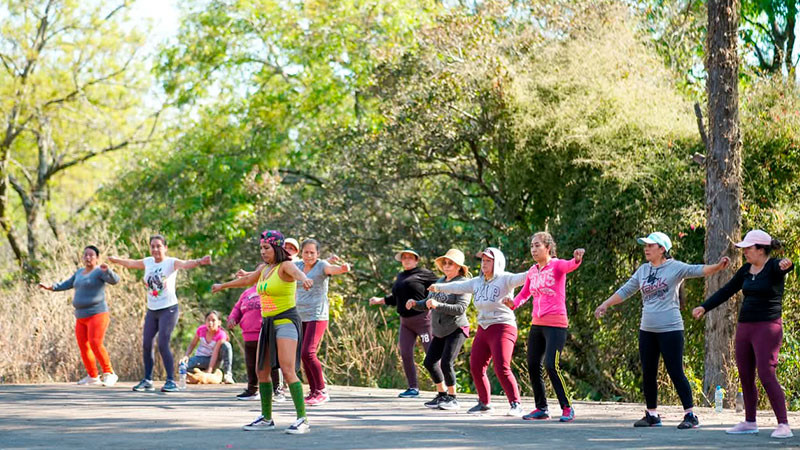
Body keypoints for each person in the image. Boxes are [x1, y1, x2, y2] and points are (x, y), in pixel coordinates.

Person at [595, 232, 729, 429]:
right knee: (648, 371)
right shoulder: (643, 270)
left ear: (662, 249)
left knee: (675, 371)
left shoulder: (675, 267)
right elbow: (626, 290)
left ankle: (690, 415)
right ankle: (652, 415)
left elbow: (698, 270)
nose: (646, 249)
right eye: (645, 245)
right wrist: (605, 304)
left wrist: (717, 266)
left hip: (670, 329)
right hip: (647, 329)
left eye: (651, 245)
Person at [692, 230, 794, 439]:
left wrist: (788, 264)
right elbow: (727, 290)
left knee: (766, 374)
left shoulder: (774, 266)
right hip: (745, 327)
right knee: (745, 374)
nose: (745, 252)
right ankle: (750, 422)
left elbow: (785, 265)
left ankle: (784, 424)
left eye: (748, 248)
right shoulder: (746, 270)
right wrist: (704, 307)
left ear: (761, 250)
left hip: (767, 327)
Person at [212, 230, 313, 435]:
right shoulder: (264, 269)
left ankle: (302, 419)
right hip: (267, 324)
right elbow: (247, 281)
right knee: (262, 371)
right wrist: (223, 286)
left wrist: (304, 279)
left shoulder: (285, 266)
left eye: (266, 248)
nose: (262, 251)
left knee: (287, 370)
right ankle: (266, 418)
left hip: (285, 321)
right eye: (261, 248)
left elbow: (297, 273)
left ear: (276, 247)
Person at [429, 247, 527, 416]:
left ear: (498, 263)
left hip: (503, 326)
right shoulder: (477, 282)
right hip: (484, 328)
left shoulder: (506, 278)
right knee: (476, 366)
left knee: (502, 367)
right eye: (483, 260)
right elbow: (458, 286)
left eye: (488, 261)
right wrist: (438, 288)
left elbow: (526, 276)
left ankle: (516, 404)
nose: (484, 264)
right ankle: (484, 403)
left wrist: (545, 265)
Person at [108, 234, 212, 393]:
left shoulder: (171, 262)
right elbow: (131, 263)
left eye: (159, 246)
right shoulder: (148, 261)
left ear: (165, 248)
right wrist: (116, 260)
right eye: (153, 246)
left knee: (163, 343)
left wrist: (199, 261)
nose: (155, 249)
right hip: (152, 310)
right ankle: (147, 380)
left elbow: (185, 264)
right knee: (146, 344)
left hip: (169, 309)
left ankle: (170, 381)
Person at [511, 232, 584, 422]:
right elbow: (524, 293)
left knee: (552, 365)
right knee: (533, 364)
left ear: (548, 248)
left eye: (537, 246)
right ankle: (541, 408)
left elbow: (570, 265)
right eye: (532, 246)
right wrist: (512, 304)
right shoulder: (532, 271)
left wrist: (577, 259)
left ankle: (567, 407)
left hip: (556, 324)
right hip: (537, 324)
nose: (533, 249)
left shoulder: (557, 265)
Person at [39, 245, 120, 387]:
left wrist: (108, 271)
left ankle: (109, 373)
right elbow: (67, 284)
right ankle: (93, 376)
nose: (88, 257)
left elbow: (115, 280)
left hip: (97, 314)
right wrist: (51, 287)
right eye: (85, 255)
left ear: (97, 258)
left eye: (91, 255)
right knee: (83, 345)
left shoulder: (99, 271)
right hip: (81, 316)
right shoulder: (79, 272)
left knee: (95, 343)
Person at [405, 248, 471, 411]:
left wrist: (438, 305)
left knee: (447, 363)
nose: (446, 266)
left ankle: (453, 398)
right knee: (429, 362)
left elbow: (460, 308)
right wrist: (415, 303)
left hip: (456, 328)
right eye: (445, 263)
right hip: (440, 330)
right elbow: (428, 303)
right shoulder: (440, 281)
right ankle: (442, 394)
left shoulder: (463, 283)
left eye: (450, 263)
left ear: (459, 267)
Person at [369, 249, 439, 398]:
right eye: (404, 258)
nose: (407, 260)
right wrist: (379, 300)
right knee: (405, 353)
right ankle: (413, 388)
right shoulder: (401, 276)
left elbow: (441, 287)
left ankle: (444, 389)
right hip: (405, 323)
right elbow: (396, 298)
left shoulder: (424, 273)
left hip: (423, 321)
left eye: (410, 257)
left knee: (431, 355)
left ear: (416, 260)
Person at [295, 239, 350, 406]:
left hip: (317, 315)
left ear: (318, 254)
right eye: (306, 252)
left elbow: (332, 269)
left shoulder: (322, 265)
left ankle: (322, 390)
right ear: (301, 253)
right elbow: (279, 269)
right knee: (303, 355)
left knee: (308, 352)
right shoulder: (297, 266)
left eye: (312, 252)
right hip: (300, 315)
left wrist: (342, 268)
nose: (309, 255)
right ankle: (313, 391)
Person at [228, 285, 267, 400]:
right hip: (248, 334)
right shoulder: (247, 292)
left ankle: (277, 390)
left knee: (268, 364)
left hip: (264, 333)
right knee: (251, 364)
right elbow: (237, 308)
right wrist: (232, 318)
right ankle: (252, 390)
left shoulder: (269, 288)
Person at [181, 310, 234, 384]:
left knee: (227, 345)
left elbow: (215, 354)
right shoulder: (201, 330)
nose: (210, 323)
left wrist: (210, 370)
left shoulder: (221, 334)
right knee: (183, 365)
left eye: (213, 320)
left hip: (213, 360)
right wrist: (186, 355)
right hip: (200, 358)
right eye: (208, 320)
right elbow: (193, 344)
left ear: (219, 322)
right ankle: (200, 374)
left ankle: (227, 375)